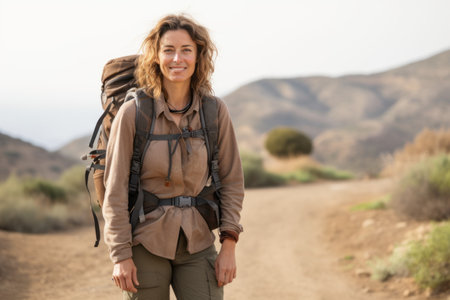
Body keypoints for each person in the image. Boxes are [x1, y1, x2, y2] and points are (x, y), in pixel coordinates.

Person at [102, 14, 244, 300]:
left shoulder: (214, 112)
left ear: (198, 56)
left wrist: (228, 246)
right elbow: (114, 190)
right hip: (144, 242)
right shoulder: (134, 113)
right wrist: (120, 255)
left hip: (197, 240)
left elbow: (231, 181)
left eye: (186, 50)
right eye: (168, 50)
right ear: (156, 56)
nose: (177, 58)